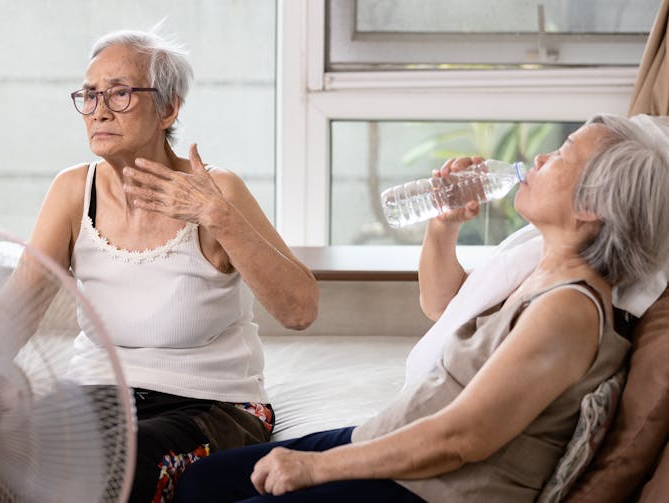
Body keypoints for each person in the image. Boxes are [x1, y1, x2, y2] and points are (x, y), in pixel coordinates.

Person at [173, 113, 669, 503]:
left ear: (591, 206)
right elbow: (442, 304)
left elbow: (464, 436)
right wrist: (443, 224)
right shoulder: (541, 265)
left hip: (428, 488)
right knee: (199, 483)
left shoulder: (570, 312)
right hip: (394, 439)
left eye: (561, 155)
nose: (539, 157)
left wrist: (315, 468)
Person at [25, 27, 318, 502]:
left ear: (169, 107)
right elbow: (18, 304)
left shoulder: (215, 189)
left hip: (213, 401)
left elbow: (301, 310)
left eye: (119, 93)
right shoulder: (72, 190)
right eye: (90, 94)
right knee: (24, 443)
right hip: (100, 391)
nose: (99, 109)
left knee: (128, 462)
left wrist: (218, 216)